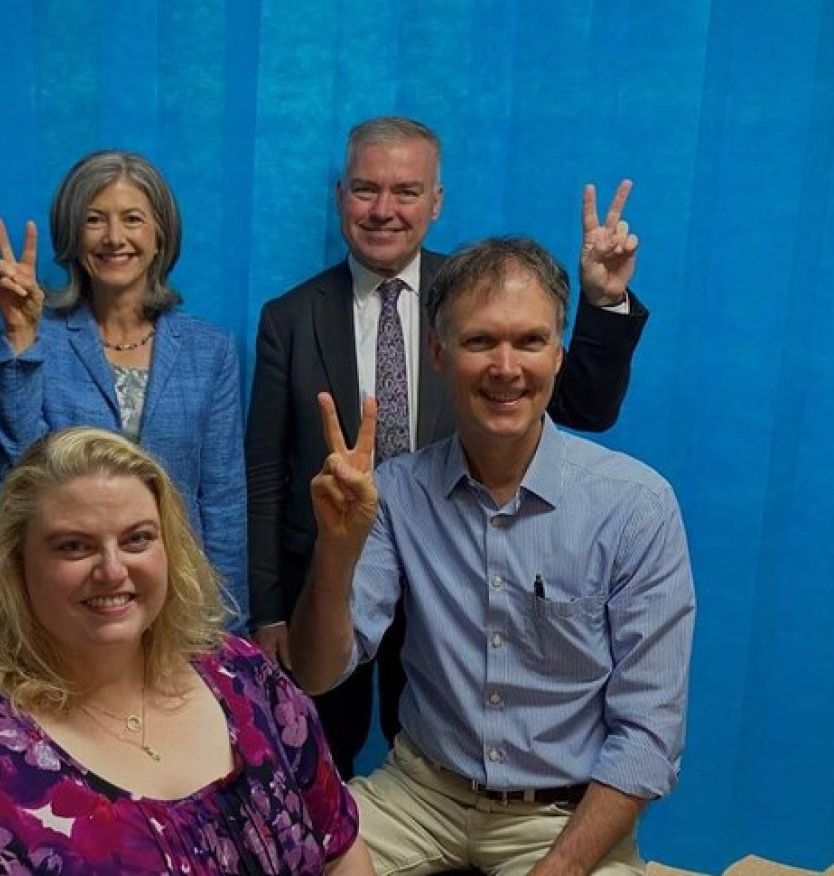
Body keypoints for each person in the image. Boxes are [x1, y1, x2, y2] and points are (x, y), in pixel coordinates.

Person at [246, 115, 650, 776]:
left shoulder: (474, 296)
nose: (383, 210)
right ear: (340, 197)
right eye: (364, 189)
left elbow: (586, 408)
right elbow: (262, 472)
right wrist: (268, 610)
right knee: (316, 762)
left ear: (435, 203)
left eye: (405, 191)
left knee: (445, 765)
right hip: (332, 579)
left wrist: (603, 302)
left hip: (454, 579)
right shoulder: (288, 318)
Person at [291, 236, 695, 875]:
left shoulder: (636, 507)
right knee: (276, 855)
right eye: (480, 341)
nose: (506, 367)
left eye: (530, 341)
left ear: (559, 354)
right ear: (438, 354)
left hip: (560, 817)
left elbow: (648, 737)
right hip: (419, 794)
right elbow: (316, 673)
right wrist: (335, 555)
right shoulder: (396, 491)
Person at [0, 427, 372, 875]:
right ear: (17, 568)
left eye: (136, 539)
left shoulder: (246, 679)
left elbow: (340, 849)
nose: (112, 570)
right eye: (73, 546)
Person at [0, 149, 248, 630]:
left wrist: (228, 629)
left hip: (181, 604)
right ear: (72, 234)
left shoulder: (211, 350)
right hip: (75, 599)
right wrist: (21, 339)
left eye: (132, 219)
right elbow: (14, 473)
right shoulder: (40, 337)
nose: (114, 238)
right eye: (94, 220)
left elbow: (223, 500)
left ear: (159, 234)